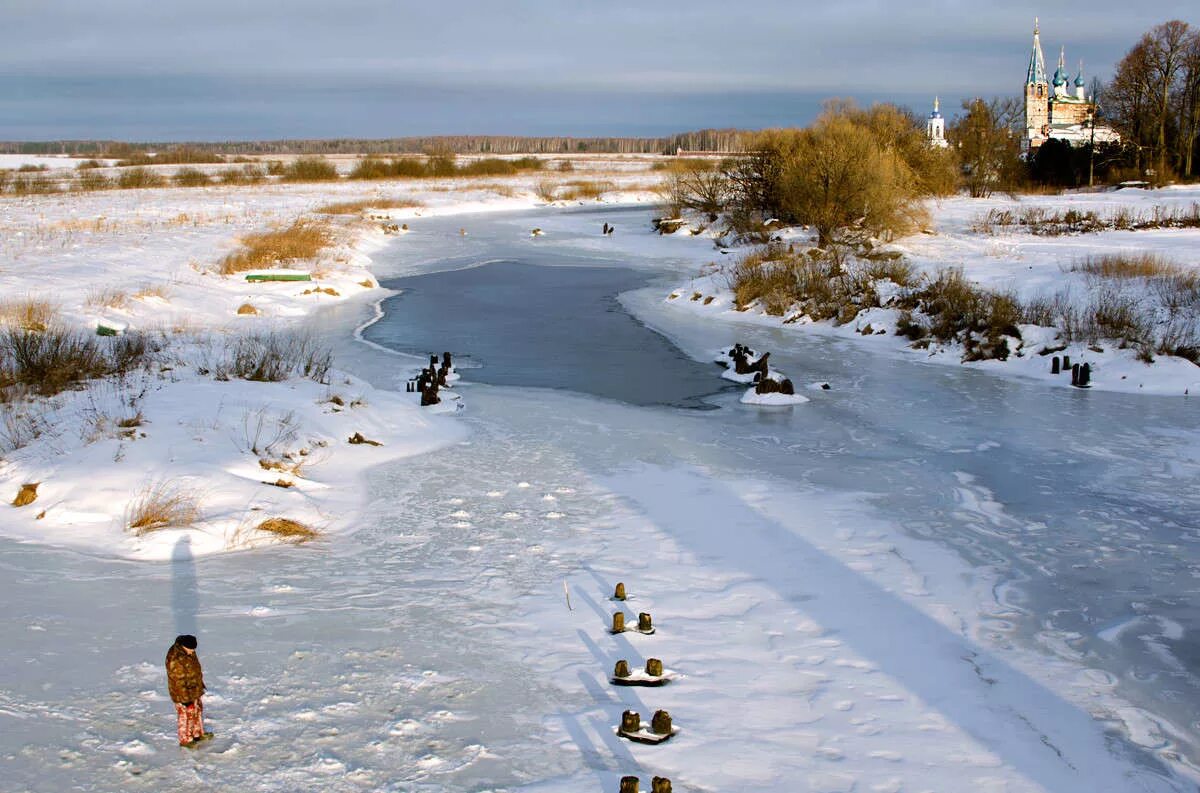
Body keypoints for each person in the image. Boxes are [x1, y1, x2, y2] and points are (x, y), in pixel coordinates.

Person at [165, 634, 207, 746]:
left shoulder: (189, 652)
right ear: (183, 646)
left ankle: (197, 734)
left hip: (194, 689)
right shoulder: (176, 658)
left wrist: (200, 685)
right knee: (185, 715)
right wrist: (185, 699)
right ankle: (185, 739)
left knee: (197, 711)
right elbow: (178, 681)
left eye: (193, 650)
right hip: (182, 694)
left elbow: (195, 670)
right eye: (190, 649)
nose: (192, 652)